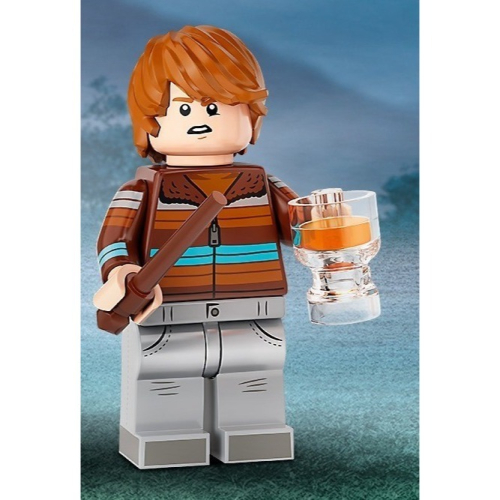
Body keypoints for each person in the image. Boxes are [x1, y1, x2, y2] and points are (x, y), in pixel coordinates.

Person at [95, 25, 299, 469]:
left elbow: (298, 225)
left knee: (253, 373)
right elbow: (114, 240)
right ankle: (165, 438)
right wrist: (121, 271)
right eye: (183, 108)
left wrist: (324, 225)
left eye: (216, 105)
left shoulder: (264, 184)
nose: (201, 119)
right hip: (168, 309)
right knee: (165, 375)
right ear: (149, 123)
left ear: (252, 115)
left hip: (254, 306)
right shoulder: (142, 189)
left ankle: (252, 435)